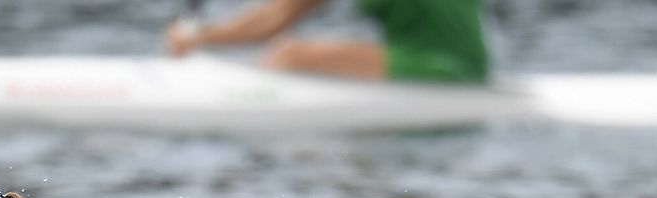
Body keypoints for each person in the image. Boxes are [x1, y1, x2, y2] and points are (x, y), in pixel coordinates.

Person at [165, 0, 488, 83]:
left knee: (290, 52)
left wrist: (199, 37)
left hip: (444, 65)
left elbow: (275, 18)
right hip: (466, 60)